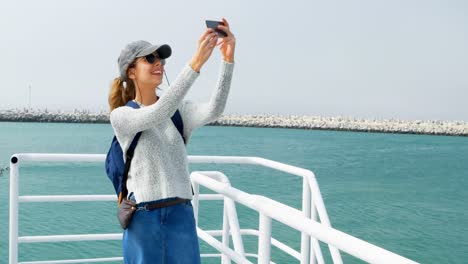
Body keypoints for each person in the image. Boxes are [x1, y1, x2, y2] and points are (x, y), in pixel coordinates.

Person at [108, 18, 235, 263]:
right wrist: (196, 62)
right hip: (143, 218)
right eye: (150, 59)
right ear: (131, 71)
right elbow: (158, 112)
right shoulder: (122, 116)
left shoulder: (179, 112)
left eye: (161, 59)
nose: (159, 64)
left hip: (181, 214)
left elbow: (215, 109)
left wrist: (227, 60)